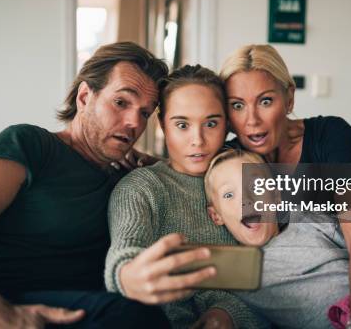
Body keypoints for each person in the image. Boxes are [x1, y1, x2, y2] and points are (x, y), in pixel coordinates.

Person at [0, 42, 171, 329]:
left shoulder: (130, 179)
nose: (134, 122)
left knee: (138, 317)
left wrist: (159, 166)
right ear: (84, 97)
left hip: (66, 311)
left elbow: (201, 173)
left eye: (145, 113)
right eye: (121, 102)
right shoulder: (30, 144)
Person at [219, 44, 351, 329]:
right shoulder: (229, 161)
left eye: (265, 101)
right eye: (237, 105)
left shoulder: (331, 135)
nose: (251, 120)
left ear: (288, 98)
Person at [105, 65, 267, 329]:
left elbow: (273, 280)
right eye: (182, 125)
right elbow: (125, 251)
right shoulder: (142, 187)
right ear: (162, 124)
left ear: (227, 124)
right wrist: (126, 275)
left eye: (211, 123)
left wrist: (226, 315)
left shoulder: (250, 177)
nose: (198, 140)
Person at [204, 148, 351, 329]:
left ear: (276, 196)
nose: (246, 200)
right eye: (229, 194)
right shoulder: (235, 270)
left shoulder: (306, 221)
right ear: (216, 216)